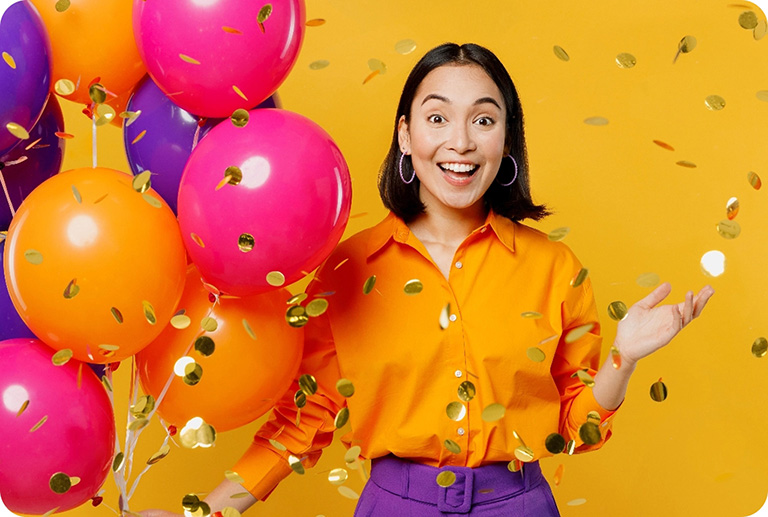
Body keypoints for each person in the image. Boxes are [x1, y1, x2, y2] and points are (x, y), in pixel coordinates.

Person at [140, 42, 714, 517]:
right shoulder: (346, 271)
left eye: (483, 120)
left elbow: (576, 427)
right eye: (437, 118)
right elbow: (302, 423)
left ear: (506, 140)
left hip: (519, 505)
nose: (460, 142)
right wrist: (203, 512)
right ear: (405, 136)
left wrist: (625, 357)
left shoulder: (554, 269)